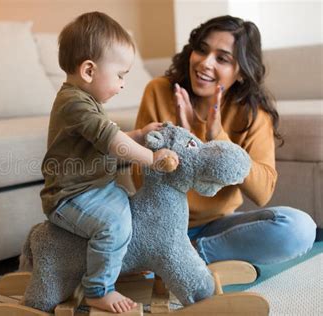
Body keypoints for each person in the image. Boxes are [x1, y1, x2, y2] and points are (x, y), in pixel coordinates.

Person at [134, 15, 316, 266]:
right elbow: (138, 177)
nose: (205, 63)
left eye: (222, 58)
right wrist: (180, 140)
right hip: (158, 225)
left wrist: (217, 138)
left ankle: (188, 259)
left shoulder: (253, 114)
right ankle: (169, 260)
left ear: (240, 72)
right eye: (202, 50)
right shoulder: (159, 91)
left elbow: (263, 193)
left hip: (214, 229)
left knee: (299, 228)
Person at [40, 12, 178, 313]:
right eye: (120, 75)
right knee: (114, 226)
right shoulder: (74, 104)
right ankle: (98, 289)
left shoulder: (86, 102)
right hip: (69, 196)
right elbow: (113, 142)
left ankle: (125, 261)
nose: (123, 84)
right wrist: (152, 159)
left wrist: (139, 134)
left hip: (95, 188)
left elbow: (106, 138)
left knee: (131, 209)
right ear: (89, 70)